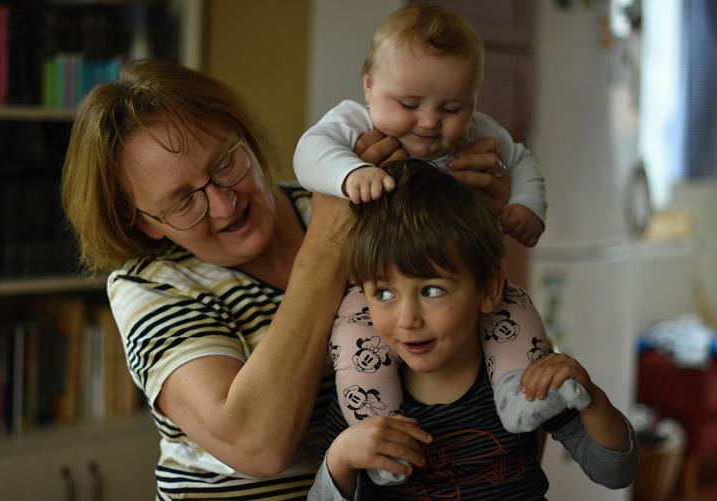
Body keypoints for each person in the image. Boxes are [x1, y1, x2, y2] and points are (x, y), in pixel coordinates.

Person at [294, 3, 590, 485]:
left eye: (452, 108)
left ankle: (519, 394)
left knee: (513, 309)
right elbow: (309, 152)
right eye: (409, 105)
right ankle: (379, 430)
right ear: (369, 87)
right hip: (378, 287)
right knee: (353, 335)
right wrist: (350, 173)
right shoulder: (354, 121)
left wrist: (526, 206)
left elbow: (521, 159)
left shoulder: (479, 132)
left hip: (454, 281)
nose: (430, 122)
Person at [60, 59, 357, 500]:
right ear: (143, 222)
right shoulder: (151, 286)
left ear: (244, 134)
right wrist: (325, 251)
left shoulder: (335, 204)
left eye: (224, 164)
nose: (223, 204)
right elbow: (256, 443)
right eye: (183, 202)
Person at [308, 160, 639, 500]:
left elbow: (616, 473)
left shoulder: (525, 380)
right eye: (383, 294)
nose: (407, 320)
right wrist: (341, 458)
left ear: (488, 290)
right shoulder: (362, 396)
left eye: (431, 291)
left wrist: (591, 399)